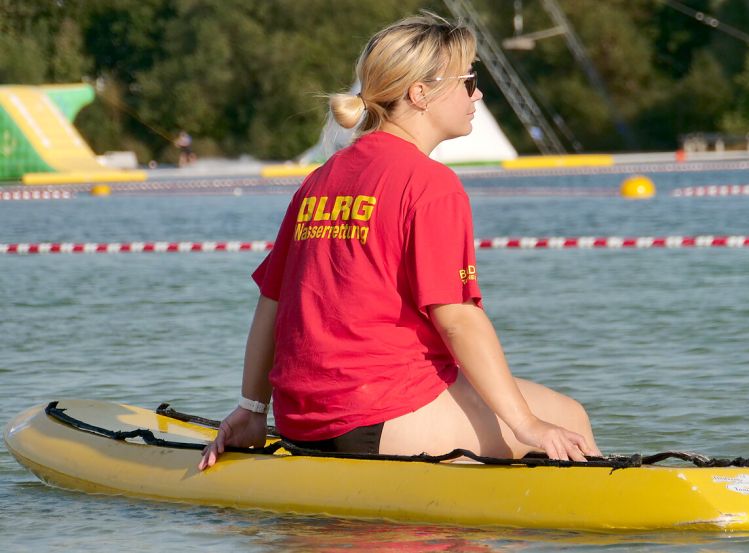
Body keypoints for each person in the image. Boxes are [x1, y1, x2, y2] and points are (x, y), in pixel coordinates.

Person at [199, 13, 600, 471]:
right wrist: (527, 425)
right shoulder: (432, 184)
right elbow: (458, 320)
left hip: (300, 421)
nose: (479, 93)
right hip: (381, 417)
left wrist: (253, 410)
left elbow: (271, 303)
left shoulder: (319, 180)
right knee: (568, 418)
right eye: (469, 81)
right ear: (420, 92)